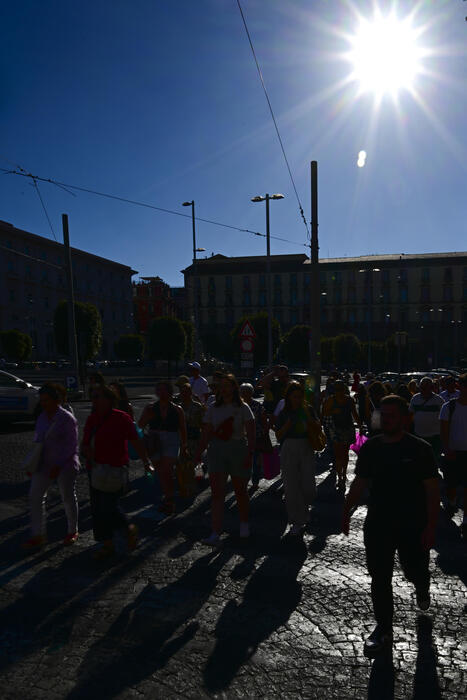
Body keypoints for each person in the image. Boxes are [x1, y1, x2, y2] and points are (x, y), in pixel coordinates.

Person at [342, 395, 440, 657]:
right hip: (378, 523)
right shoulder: (371, 448)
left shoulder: (421, 449)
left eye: (392, 415)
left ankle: (422, 583)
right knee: (380, 576)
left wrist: (431, 526)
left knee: (413, 569)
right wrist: (346, 510)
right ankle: (383, 628)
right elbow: (360, 483)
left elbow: (432, 490)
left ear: (405, 418)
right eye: (383, 416)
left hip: (412, 523)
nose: (387, 420)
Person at [82, 385, 154, 558]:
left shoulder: (122, 418)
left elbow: (136, 441)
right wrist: (86, 453)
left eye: (97, 396)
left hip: (116, 469)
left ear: (109, 400)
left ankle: (128, 529)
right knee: (98, 509)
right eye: (93, 397)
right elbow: (85, 442)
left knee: (108, 506)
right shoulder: (93, 419)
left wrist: (146, 462)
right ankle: (107, 544)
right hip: (96, 469)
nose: (94, 400)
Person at [195, 374, 255, 546]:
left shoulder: (243, 407)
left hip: (238, 450)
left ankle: (244, 524)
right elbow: (206, 433)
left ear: (234, 388)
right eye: (221, 386)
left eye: (228, 385)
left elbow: (251, 433)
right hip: (216, 451)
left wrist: (250, 455)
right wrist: (198, 454)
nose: (224, 389)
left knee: (240, 492)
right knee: (217, 494)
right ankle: (215, 532)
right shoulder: (213, 407)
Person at [22, 383, 80, 549]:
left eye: (46, 400)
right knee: (35, 497)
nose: (43, 403)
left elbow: (72, 445)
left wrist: (59, 464)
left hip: (65, 464)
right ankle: (38, 534)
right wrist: (33, 463)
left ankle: (72, 530)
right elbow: (38, 441)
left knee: (67, 496)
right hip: (44, 464)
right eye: (42, 400)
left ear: (56, 401)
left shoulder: (67, 418)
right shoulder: (42, 417)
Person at [275, 381, 319, 535]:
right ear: (288, 397)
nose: (298, 399)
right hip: (289, 447)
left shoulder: (308, 409)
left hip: (307, 446)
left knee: (308, 487)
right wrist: (287, 425)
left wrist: (309, 420)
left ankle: (303, 511)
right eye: (295, 397)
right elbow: (278, 435)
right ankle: (296, 521)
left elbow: (318, 427)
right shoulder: (284, 413)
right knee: (291, 487)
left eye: (300, 396)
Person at [139, 381, 188, 515]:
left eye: (164, 390)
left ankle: (169, 500)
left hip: (172, 440)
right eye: (158, 390)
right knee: (161, 472)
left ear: (170, 392)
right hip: (155, 440)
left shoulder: (177, 409)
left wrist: (184, 446)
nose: (161, 393)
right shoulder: (150, 407)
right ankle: (168, 497)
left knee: (166, 470)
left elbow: (182, 428)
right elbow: (140, 426)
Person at [440, 373, 467, 538]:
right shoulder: (448, 407)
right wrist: (446, 448)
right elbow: (443, 431)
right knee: (451, 486)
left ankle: (465, 521)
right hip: (453, 453)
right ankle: (451, 501)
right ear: (460, 386)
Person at [323, 380, 362, 490]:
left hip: (347, 429)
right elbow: (324, 414)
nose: (339, 392)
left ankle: (343, 475)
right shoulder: (330, 400)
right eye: (337, 390)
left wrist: (360, 426)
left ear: (344, 390)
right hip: (335, 429)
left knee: (344, 454)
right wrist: (332, 411)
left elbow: (354, 413)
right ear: (334, 390)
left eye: (340, 389)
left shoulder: (349, 400)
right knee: (338, 454)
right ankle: (340, 475)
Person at [240, 382, 269, 489]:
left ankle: (255, 481)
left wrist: (264, 434)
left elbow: (264, 421)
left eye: (247, 392)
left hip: (256, 437)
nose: (244, 394)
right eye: (242, 392)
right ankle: (244, 480)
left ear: (251, 393)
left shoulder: (257, 405)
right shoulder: (238, 406)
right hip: (241, 439)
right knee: (243, 461)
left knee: (256, 461)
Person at [409, 377, 444, 463]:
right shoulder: (415, 398)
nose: (423, 389)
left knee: (434, 460)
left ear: (431, 388)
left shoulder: (439, 400)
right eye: (421, 387)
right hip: (419, 436)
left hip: (435, 437)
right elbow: (410, 415)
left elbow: (444, 418)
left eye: (425, 387)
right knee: (420, 460)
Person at [178, 383, 204, 462]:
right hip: (181, 441)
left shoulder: (197, 407)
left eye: (186, 392)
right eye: (182, 392)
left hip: (194, 440)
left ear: (190, 393)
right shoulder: (178, 407)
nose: (184, 394)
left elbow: (203, 425)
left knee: (195, 466)